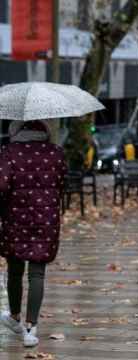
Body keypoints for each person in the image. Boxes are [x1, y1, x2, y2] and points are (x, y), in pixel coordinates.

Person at [0, 121, 66, 347]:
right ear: (45, 131)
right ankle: (31, 328)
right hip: (45, 220)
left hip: (14, 220)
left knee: (15, 271)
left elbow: (2, 185)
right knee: (37, 274)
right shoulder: (56, 153)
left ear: (18, 131)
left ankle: (15, 317)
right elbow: (62, 183)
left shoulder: (9, 152)